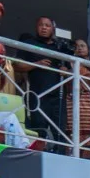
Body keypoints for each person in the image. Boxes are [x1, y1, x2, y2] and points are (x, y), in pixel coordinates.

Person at [18, 16, 71, 149]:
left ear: (53, 28)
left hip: (58, 97)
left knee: (59, 132)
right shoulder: (30, 43)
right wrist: (37, 64)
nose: (44, 28)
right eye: (41, 25)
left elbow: (71, 70)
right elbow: (17, 65)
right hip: (38, 95)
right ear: (36, 27)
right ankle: (38, 158)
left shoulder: (59, 47)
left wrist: (66, 71)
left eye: (47, 25)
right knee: (39, 130)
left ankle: (59, 157)